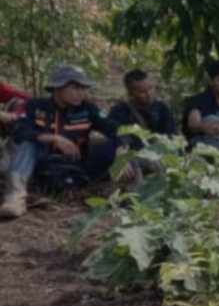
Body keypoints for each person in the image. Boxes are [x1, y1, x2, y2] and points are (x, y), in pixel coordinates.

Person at [0, 65, 135, 218]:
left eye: (84, 88)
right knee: (27, 145)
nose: (81, 93)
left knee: (117, 145)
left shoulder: (88, 109)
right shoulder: (35, 106)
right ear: (58, 88)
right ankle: (15, 198)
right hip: (42, 166)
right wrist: (53, 138)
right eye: (76, 88)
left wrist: (121, 151)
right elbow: (19, 131)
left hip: (79, 166)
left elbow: (117, 129)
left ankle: (134, 196)